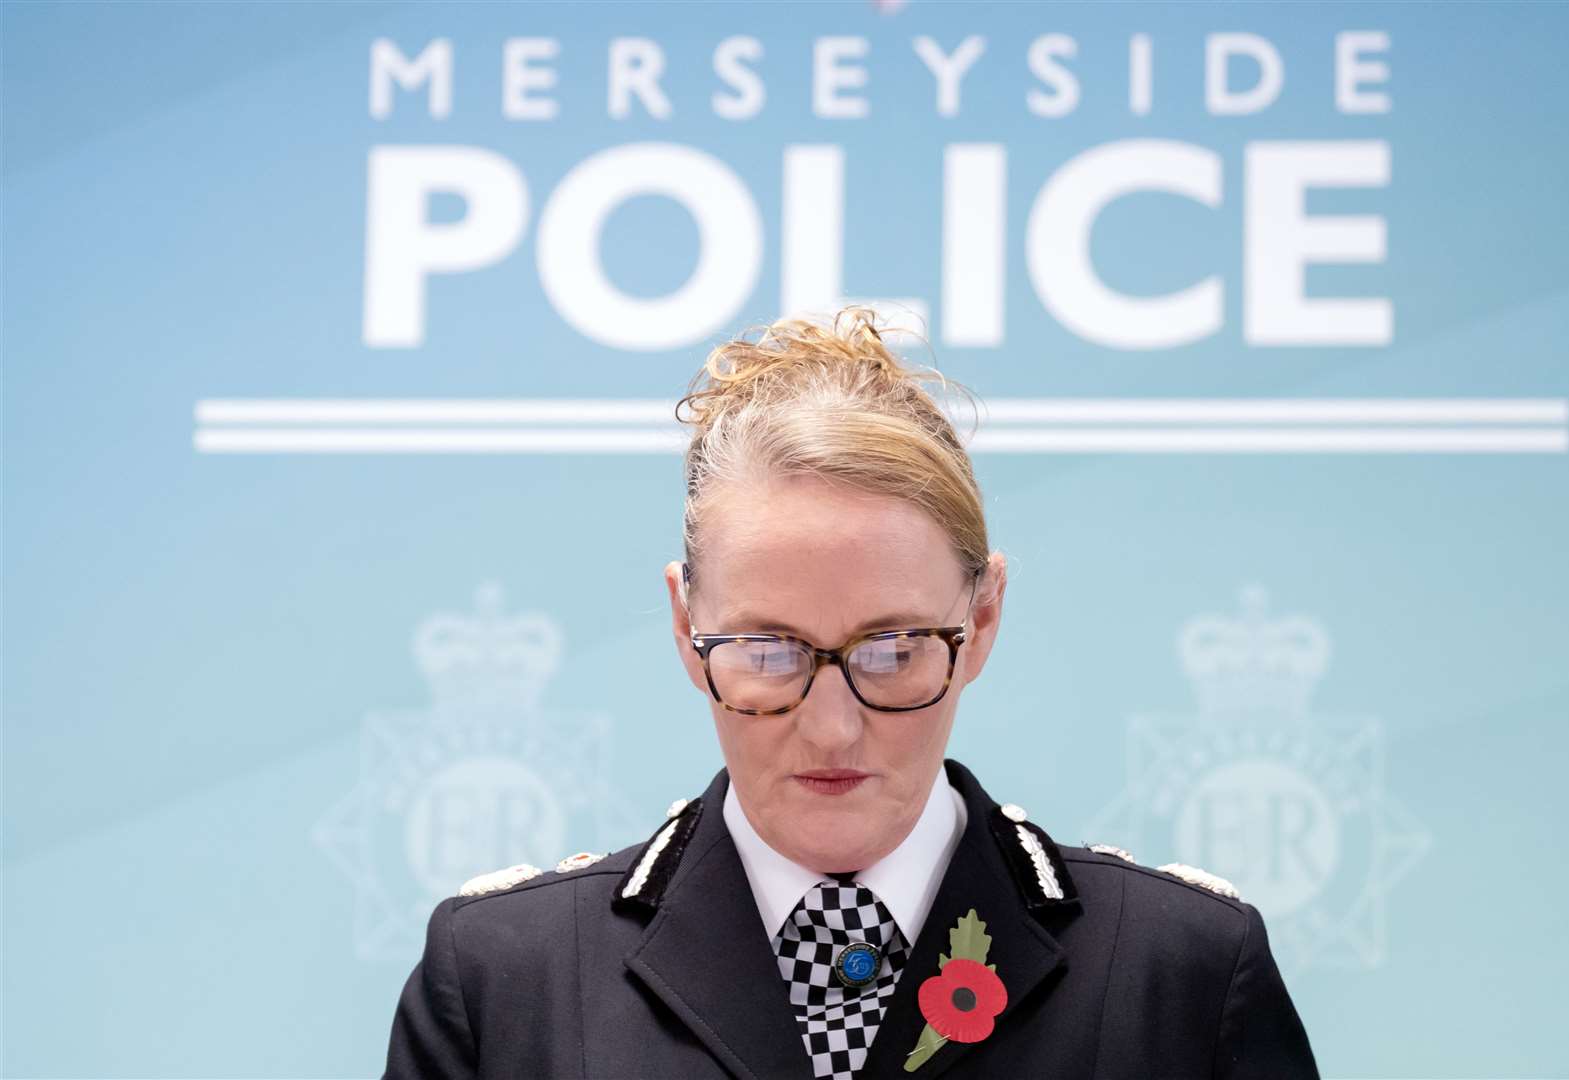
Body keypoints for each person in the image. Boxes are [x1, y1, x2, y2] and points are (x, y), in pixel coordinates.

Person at [382, 308, 1319, 1079]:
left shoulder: (1181, 974)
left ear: (983, 618)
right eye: (766, 651)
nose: (832, 729)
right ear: (683, 624)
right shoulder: (507, 982)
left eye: (895, 650)